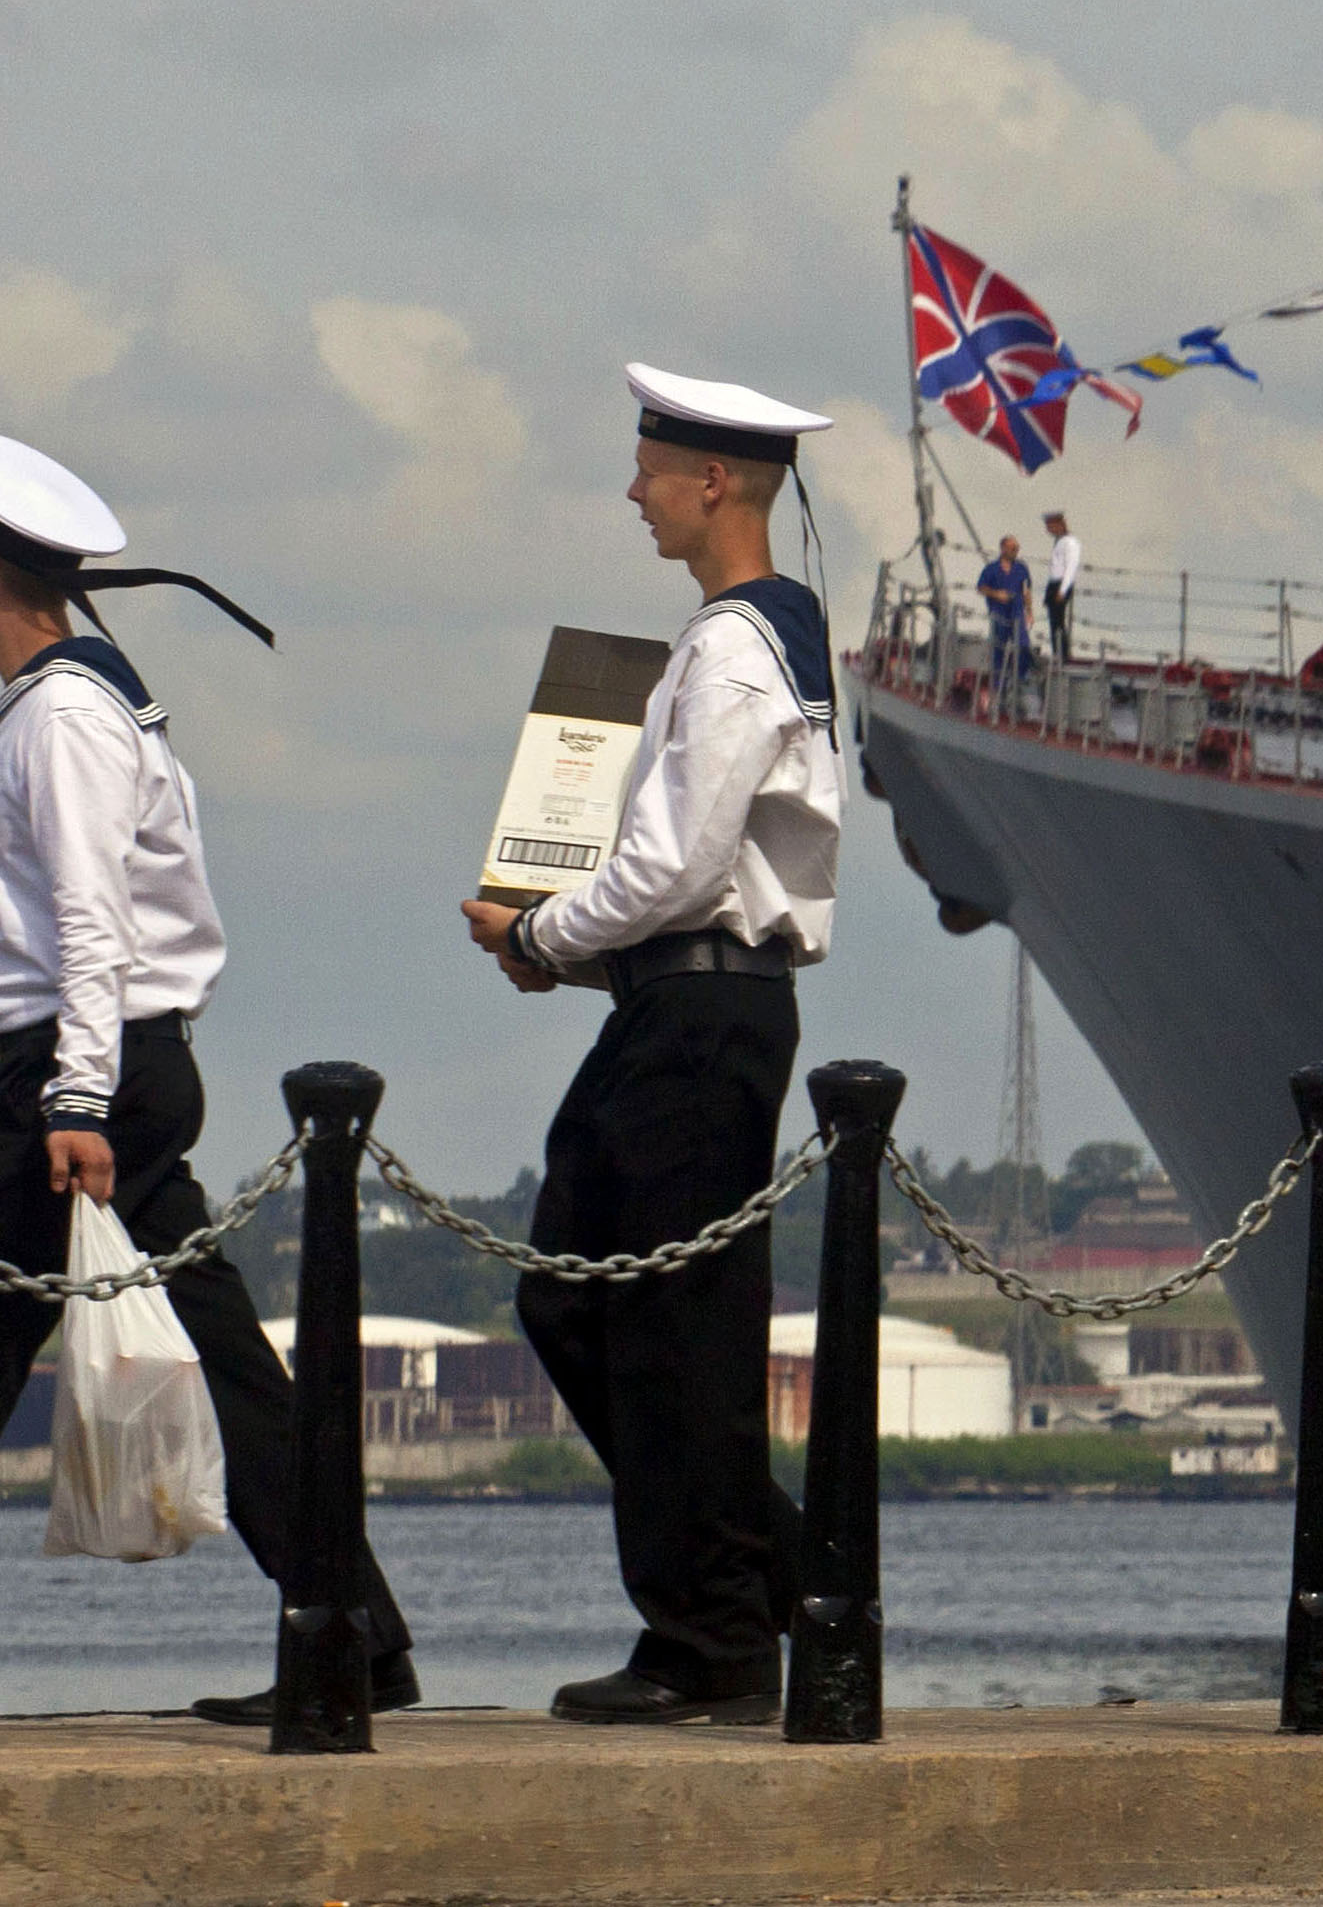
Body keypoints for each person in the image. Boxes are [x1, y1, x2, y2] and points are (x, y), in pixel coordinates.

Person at [0, 430, 418, 1727]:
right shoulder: (89, 698)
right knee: (221, 1362)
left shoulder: (60, 718)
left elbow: (88, 925)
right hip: (129, 1065)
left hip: (86, 1072)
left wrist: (68, 1102)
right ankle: (353, 1636)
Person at [459, 364, 840, 1726]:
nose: (633, 491)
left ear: (712, 483)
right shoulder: (735, 638)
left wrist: (543, 931)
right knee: (577, 1295)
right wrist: (565, 944)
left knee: (667, 1320)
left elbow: (680, 866)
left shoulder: (738, 648)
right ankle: (773, 1577)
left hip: (700, 1010)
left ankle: (714, 1636)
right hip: (676, 1002)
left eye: (648, 469)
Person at [976, 533, 1033, 710]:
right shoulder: (991, 569)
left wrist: (1029, 611)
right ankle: (998, 691)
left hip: (1016, 614)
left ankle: (1018, 684)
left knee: (1023, 648)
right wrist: (997, 594)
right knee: (998, 653)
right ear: (1003, 549)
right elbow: (981, 587)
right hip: (999, 615)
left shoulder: (1021, 568)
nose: (1015, 551)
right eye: (1012, 548)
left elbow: (1026, 590)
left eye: (1017, 548)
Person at [1040, 510, 1080, 661]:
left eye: (1051, 526)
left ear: (1060, 524)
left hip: (1061, 584)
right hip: (1055, 584)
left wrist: (1062, 590)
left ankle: (1062, 653)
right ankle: (1059, 652)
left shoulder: (1069, 542)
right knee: (1054, 620)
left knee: (1057, 621)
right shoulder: (1060, 541)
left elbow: (1070, 567)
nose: (1048, 530)